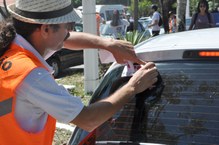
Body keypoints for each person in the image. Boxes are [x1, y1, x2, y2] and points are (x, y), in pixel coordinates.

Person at [0, 0, 158, 144]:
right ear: (45, 29)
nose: (70, 30)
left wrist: (108, 43)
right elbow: (88, 119)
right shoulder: (33, 76)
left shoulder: (14, 49)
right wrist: (133, 86)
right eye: (67, 25)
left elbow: (66, 39)